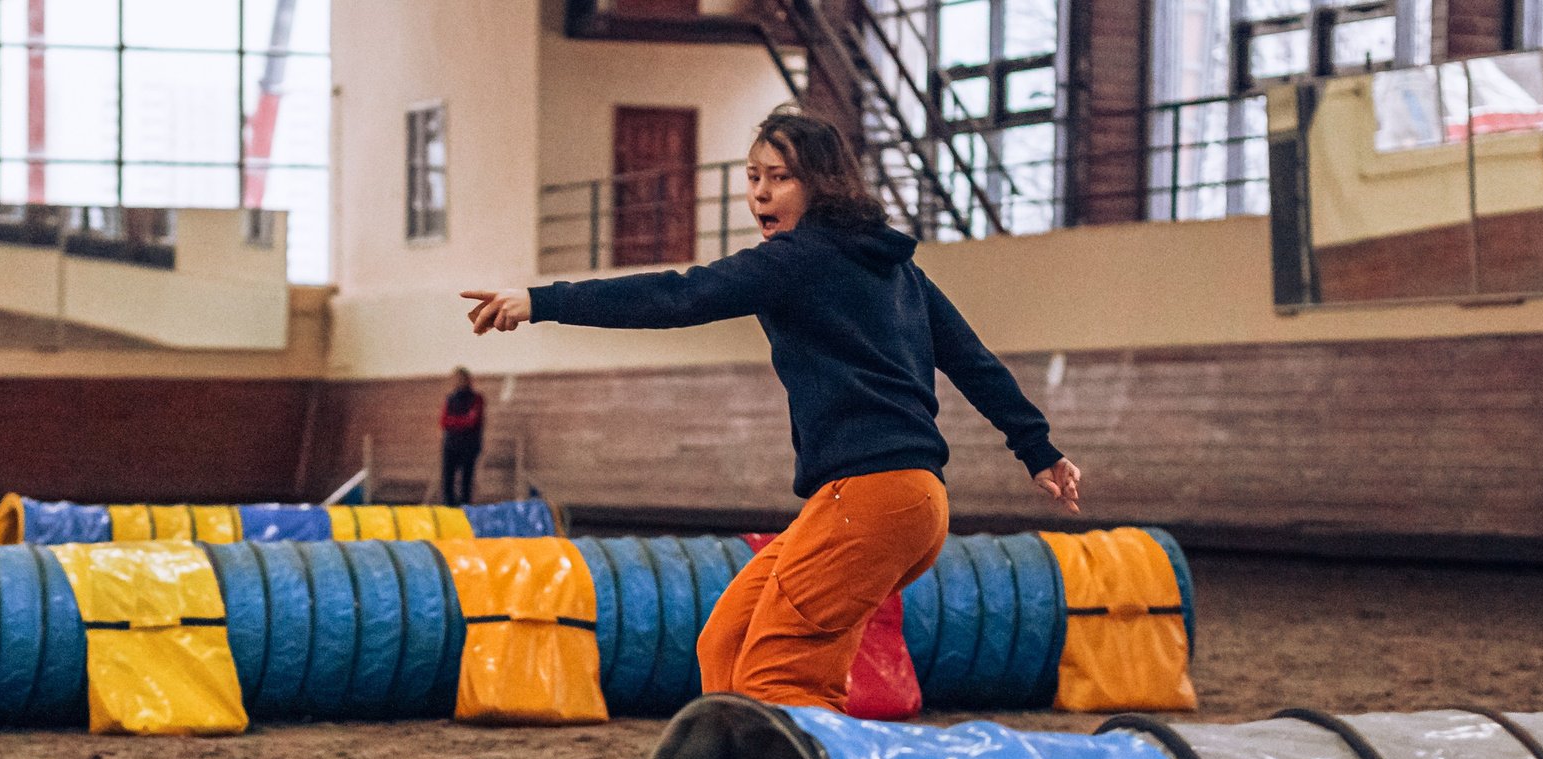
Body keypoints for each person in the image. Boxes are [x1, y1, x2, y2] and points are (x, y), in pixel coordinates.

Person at [461, 106, 1081, 712]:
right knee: (726, 641)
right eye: (753, 177)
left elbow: (677, 296)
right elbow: (972, 361)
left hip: (870, 498)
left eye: (780, 178)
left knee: (780, 678)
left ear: (821, 184)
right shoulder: (892, 265)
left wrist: (542, 301)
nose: (761, 193)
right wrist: (1038, 450)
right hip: (903, 502)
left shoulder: (796, 261)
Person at [438, 367, 485, 507]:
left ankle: (465, 507)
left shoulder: (477, 399)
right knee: (448, 480)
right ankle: (449, 506)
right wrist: (460, 421)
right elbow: (444, 421)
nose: (458, 382)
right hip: (451, 444)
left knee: (466, 482)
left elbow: (471, 421)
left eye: (461, 379)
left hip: (469, 446)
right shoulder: (450, 398)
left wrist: (455, 422)